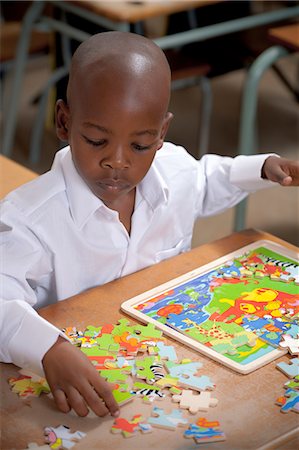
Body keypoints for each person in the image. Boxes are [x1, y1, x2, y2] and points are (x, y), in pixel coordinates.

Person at [1, 31, 298, 419]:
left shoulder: (172, 170)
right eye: (95, 140)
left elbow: (207, 179)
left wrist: (260, 168)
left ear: (161, 134)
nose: (118, 162)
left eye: (139, 146)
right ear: (63, 122)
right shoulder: (27, 219)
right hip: (75, 376)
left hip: (162, 360)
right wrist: (48, 348)